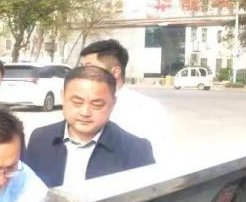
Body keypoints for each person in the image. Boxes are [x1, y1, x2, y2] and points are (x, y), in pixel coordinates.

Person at [24, 65, 156, 188]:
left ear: (113, 103)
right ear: (63, 97)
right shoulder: (40, 138)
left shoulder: (136, 149)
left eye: (97, 105)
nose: (85, 112)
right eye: (77, 102)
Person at [78, 39, 172, 161]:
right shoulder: (77, 107)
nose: (81, 74)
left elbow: (159, 158)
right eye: (81, 68)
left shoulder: (147, 109)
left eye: (89, 68)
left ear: (115, 72)